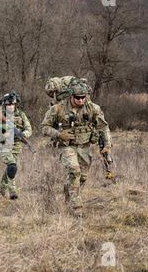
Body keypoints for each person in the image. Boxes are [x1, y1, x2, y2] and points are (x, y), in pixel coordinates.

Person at [41, 81, 112, 217]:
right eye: (78, 98)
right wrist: (59, 134)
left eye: (83, 97)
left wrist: (107, 145)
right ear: (71, 96)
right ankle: (76, 206)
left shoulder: (93, 108)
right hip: (67, 147)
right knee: (74, 170)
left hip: (85, 146)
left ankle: (68, 194)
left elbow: (104, 127)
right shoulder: (58, 109)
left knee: (82, 178)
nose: (81, 100)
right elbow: (44, 127)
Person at [0, 91, 32, 200]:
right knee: (12, 165)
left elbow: (29, 129)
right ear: (4, 105)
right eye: (8, 105)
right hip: (4, 145)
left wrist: (22, 134)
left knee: (11, 168)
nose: (10, 107)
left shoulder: (21, 115)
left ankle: (1, 189)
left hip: (16, 146)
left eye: (12, 104)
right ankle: (12, 191)